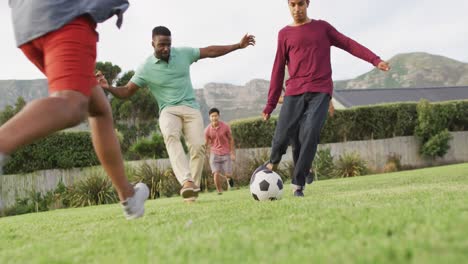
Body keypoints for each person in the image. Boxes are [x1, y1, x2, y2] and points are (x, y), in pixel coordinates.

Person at [1, 1, 149, 220]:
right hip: (65, 14)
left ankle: (128, 196)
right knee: (72, 104)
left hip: (28, 23)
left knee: (98, 108)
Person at [101, 26, 255, 201]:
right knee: (170, 135)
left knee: (198, 146)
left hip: (191, 108)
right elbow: (127, 91)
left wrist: (237, 45)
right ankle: (186, 180)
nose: (166, 48)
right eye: (161, 45)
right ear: (152, 44)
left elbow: (210, 51)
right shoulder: (146, 68)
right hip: (168, 110)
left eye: (168, 44)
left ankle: (192, 190)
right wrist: (108, 88)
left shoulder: (182, 53)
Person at [261, 0, 390, 197]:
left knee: (310, 132)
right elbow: (278, 68)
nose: (297, 9)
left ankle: (298, 183)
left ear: (308, 3)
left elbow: (348, 43)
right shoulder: (284, 34)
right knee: (284, 135)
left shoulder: (322, 28)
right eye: (293, 5)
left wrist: (374, 59)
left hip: (320, 90)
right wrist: (270, 104)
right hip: (294, 91)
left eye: (300, 4)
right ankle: (272, 162)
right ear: (288, 5)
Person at [204, 108, 236, 194]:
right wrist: (203, 152)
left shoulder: (225, 126)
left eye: (216, 115)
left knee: (228, 175)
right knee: (216, 173)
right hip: (214, 154)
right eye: (212, 116)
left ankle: (230, 179)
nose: (214, 117)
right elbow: (206, 143)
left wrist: (232, 153)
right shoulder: (207, 130)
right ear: (209, 117)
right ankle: (219, 191)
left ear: (219, 116)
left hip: (226, 153)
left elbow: (231, 139)